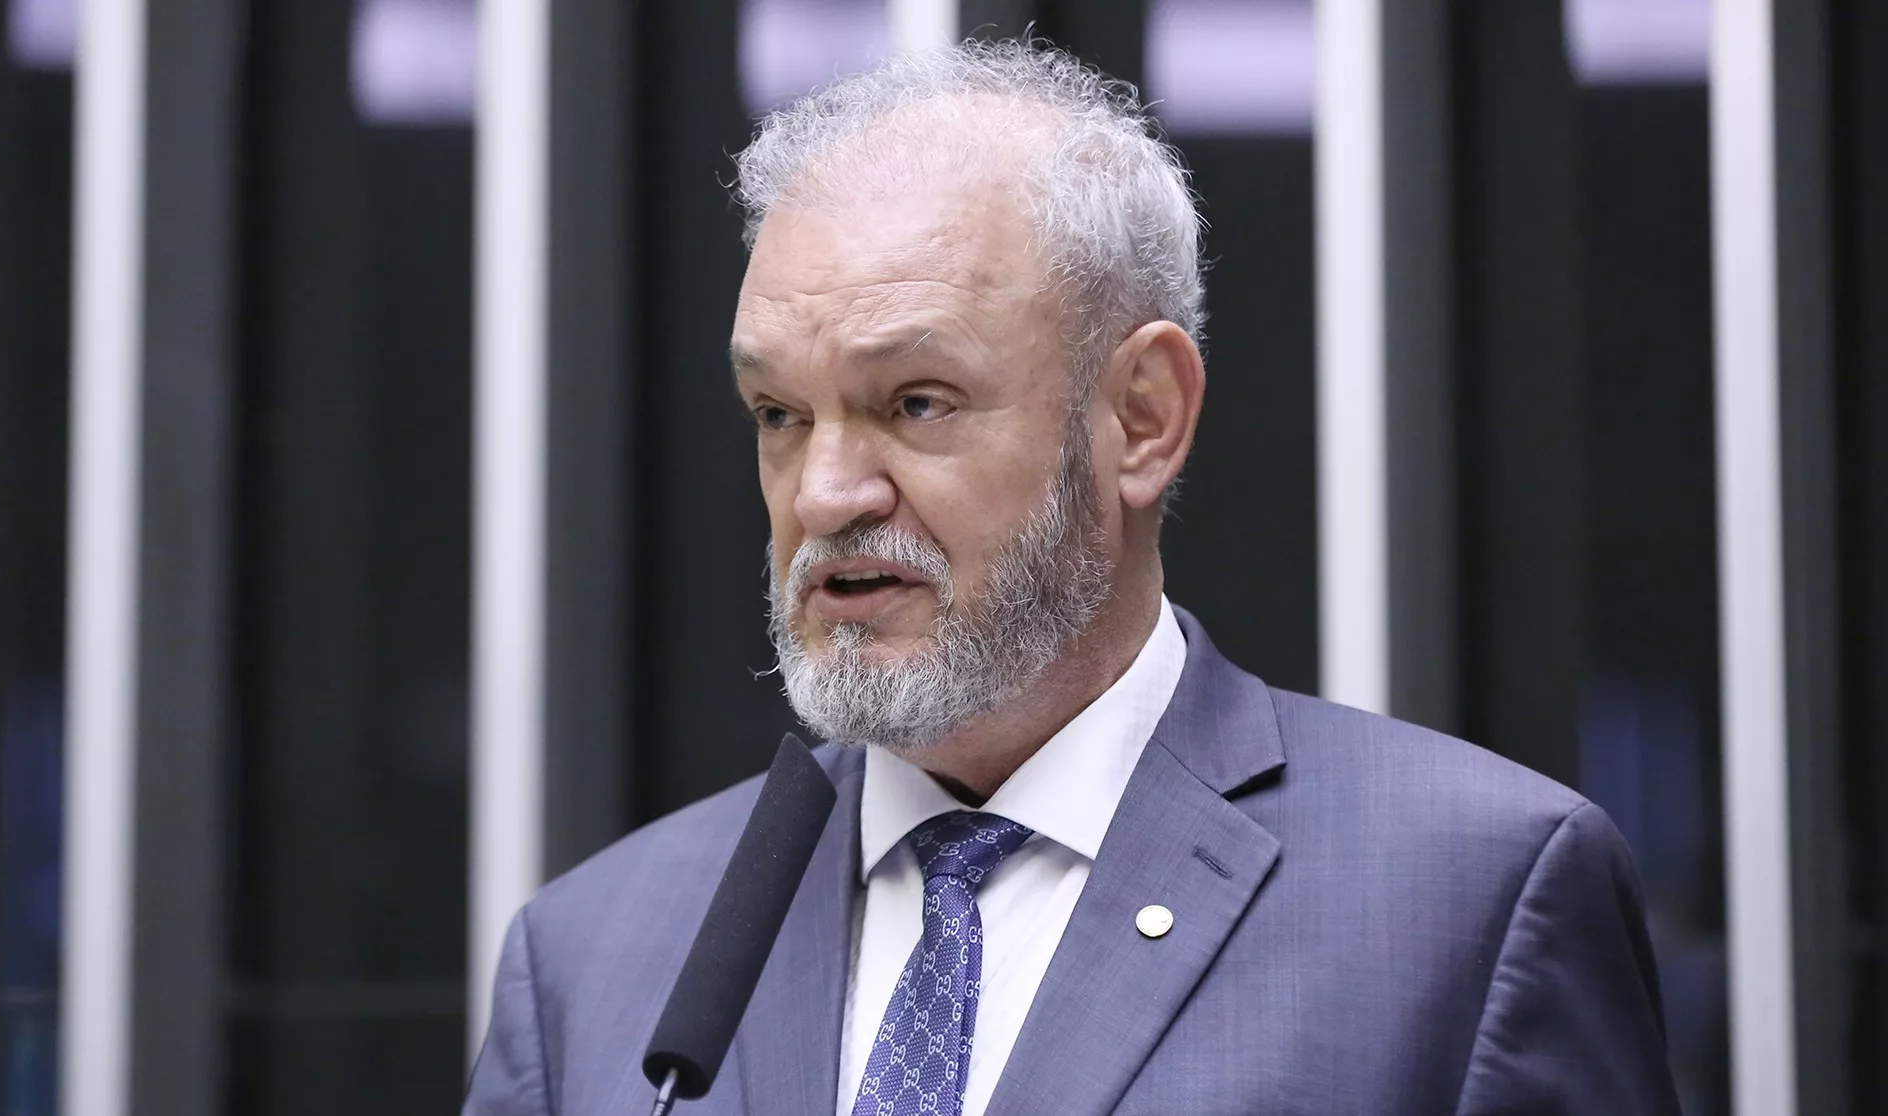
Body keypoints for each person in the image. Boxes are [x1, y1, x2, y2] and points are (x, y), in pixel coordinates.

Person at [464, 40, 1678, 1116]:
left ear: (1141, 418)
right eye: (779, 414)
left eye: (914, 402)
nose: (827, 494)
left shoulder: (1466, 900)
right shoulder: (594, 959)